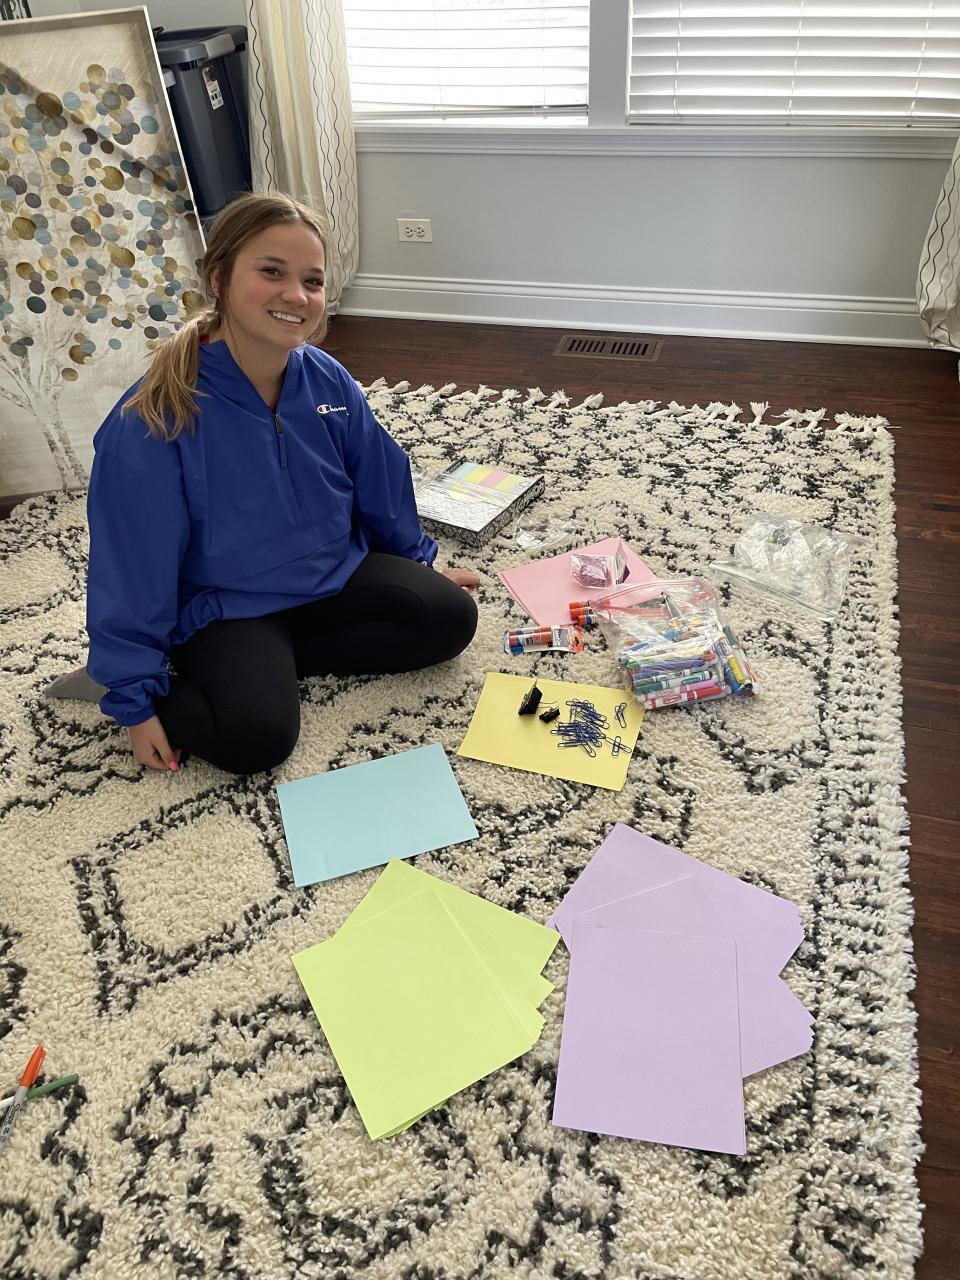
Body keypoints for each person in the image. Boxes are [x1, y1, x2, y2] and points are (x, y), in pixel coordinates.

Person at [84, 192, 479, 776]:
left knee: (449, 618)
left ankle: (273, 663)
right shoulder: (152, 421)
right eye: (272, 272)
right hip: (227, 606)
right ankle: (201, 675)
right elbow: (129, 566)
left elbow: (380, 480)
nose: (297, 295)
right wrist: (134, 700)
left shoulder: (326, 378)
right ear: (218, 277)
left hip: (329, 574)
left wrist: (416, 565)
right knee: (256, 739)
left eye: (312, 281)